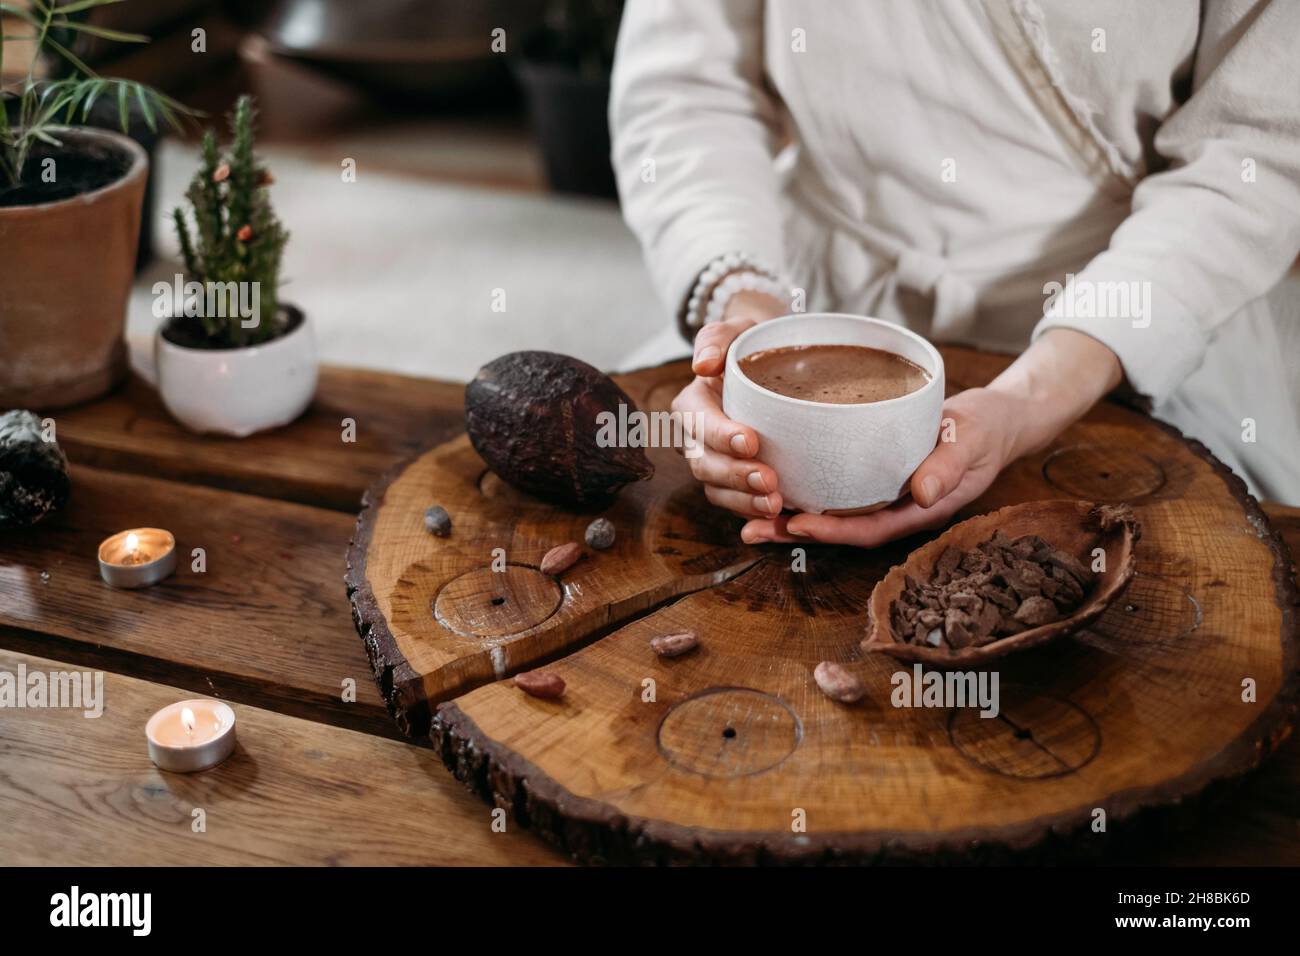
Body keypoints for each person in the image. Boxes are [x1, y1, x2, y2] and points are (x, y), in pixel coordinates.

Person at [610, 0, 1300, 546]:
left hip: (1126, 311)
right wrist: (744, 315)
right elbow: (688, 86)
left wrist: (1027, 403)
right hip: (806, 286)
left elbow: (1253, 152)